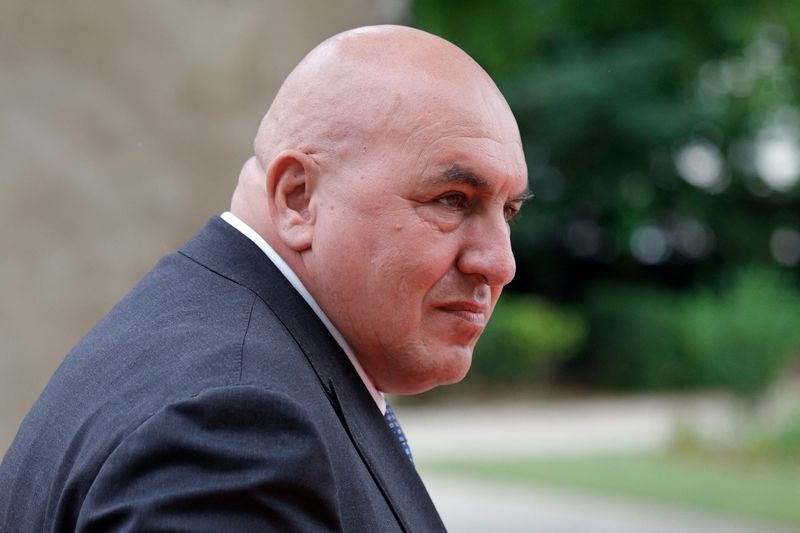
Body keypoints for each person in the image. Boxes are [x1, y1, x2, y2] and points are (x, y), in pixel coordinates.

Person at [0, 24, 528, 531]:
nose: (500, 263)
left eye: (508, 211)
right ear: (298, 198)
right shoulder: (235, 426)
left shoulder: (205, 349)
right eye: (452, 199)